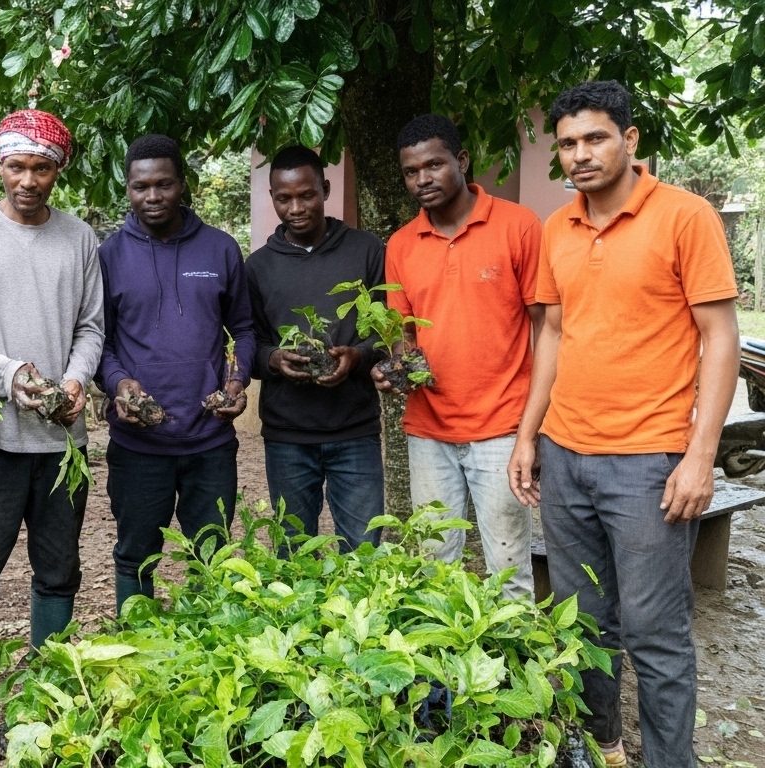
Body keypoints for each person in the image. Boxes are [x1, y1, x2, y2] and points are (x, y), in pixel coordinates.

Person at [508, 81, 739, 768]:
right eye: (569, 144)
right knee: (582, 625)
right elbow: (552, 333)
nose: (580, 155)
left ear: (630, 139)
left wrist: (701, 456)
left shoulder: (685, 217)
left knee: (656, 632)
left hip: (649, 463)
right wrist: (528, 434)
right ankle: (599, 745)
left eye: (595, 138)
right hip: (566, 454)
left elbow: (719, 336)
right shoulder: (558, 227)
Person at [0, 109, 104, 742]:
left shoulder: (80, 237)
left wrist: (76, 379)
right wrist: (9, 375)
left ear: (59, 169)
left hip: (63, 444)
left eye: (41, 167)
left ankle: (46, 686)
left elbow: (91, 327)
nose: (27, 180)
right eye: (15, 166)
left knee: (57, 568)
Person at [379, 114, 540, 599]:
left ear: (461, 161)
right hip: (429, 430)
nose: (422, 179)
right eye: (411, 171)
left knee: (508, 568)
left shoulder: (518, 225)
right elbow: (401, 336)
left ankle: (516, 673)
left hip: (502, 428)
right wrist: (393, 367)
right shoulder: (402, 245)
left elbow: (547, 326)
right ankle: (441, 677)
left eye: (434, 165)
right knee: (434, 566)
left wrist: (533, 429)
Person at [96, 134, 252, 614]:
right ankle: (137, 650)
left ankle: (209, 652)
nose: (153, 196)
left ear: (183, 185)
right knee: (135, 557)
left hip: (209, 440)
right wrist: (120, 383)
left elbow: (244, 327)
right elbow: (97, 340)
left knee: (213, 555)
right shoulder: (109, 255)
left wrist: (236, 381)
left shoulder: (220, 249)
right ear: (128, 189)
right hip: (139, 444)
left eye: (164, 184)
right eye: (141, 186)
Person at [247, 146, 386, 552]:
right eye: (283, 198)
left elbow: (386, 332)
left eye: (306, 194)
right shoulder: (257, 267)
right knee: (292, 550)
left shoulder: (365, 250)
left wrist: (357, 356)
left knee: (363, 551)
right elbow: (249, 344)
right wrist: (273, 359)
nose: (296, 207)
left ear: (325, 189)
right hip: (287, 435)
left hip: (355, 430)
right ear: (272, 197)